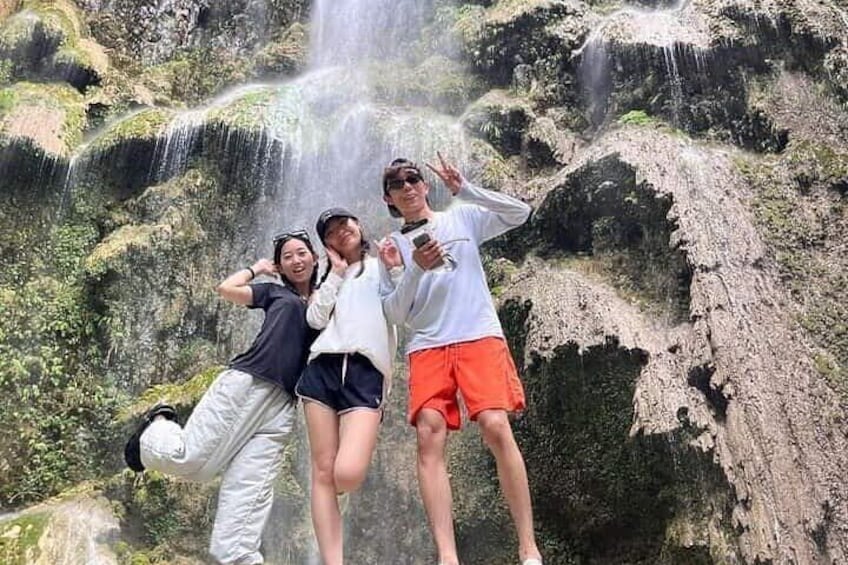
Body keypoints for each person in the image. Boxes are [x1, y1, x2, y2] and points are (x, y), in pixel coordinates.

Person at [377, 155, 543, 565]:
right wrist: (414, 269)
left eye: (413, 178)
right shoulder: (390, 248)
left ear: (425, 185)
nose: (408, 187)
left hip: (478, 334)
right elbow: (394, 314)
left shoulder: (463, 217)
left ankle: (528, 548)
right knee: (428, 433)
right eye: (397, 184)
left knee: (495, 424)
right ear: (390, 199)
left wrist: (466, 189)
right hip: (428, 345)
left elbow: (521, 213)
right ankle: (448, 557)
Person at [123, 230, 319, 565]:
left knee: (249, 494)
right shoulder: (274, 293)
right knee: (192, 464)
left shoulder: (326, 298)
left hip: (284, 406)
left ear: (315, 257)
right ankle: (155, 428)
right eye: (287, 257)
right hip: (248, 383)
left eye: (302, 253)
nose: (296, 260)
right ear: (281, 267)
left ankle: (239, 559)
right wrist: (256, 268)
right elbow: (226, 289)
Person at [296, 207, 399, 565]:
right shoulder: (330, 278)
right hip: (322, 368)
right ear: (327, 245)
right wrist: (336, 273)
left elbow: (403, 305)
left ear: (360, 226)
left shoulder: (382, 266)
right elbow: (314, 318)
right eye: (332, 231)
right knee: (322, 471)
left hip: (365, 370)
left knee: (346, 474)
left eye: (345, 224)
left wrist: (396, 266)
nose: (341, 232)